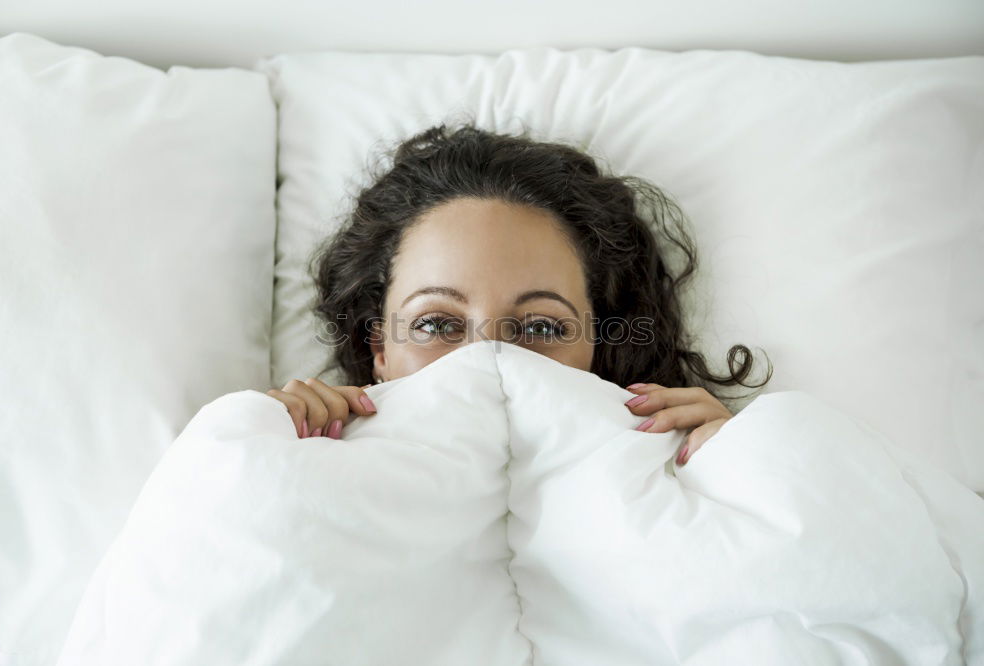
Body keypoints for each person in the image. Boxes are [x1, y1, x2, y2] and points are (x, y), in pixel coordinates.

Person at [267, 121, 772, 467]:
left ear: (599, 344)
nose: (489, 362)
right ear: (379, 347)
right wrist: (262, 448)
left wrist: (740, 470)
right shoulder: (302, 458)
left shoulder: (692, 470)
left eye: (539, 328)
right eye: (438, 324)